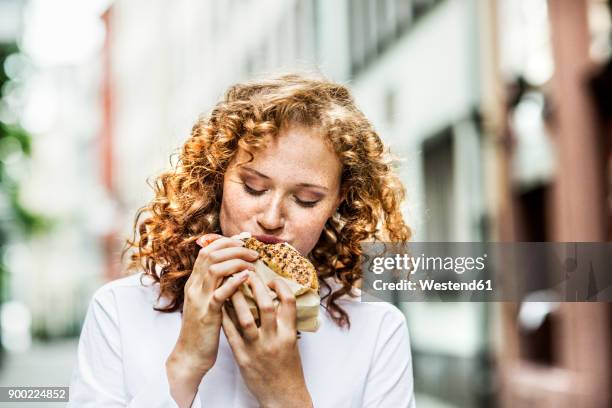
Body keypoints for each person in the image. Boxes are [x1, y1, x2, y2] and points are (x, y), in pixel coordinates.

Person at [67, 73, 417, 407]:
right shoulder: (121, 310)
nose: (271, 217)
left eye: (306, 199)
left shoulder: (376, 332)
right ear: (219, 178)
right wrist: (185, 362)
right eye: (253, 187)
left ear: (338, 202)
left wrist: (286, 394)